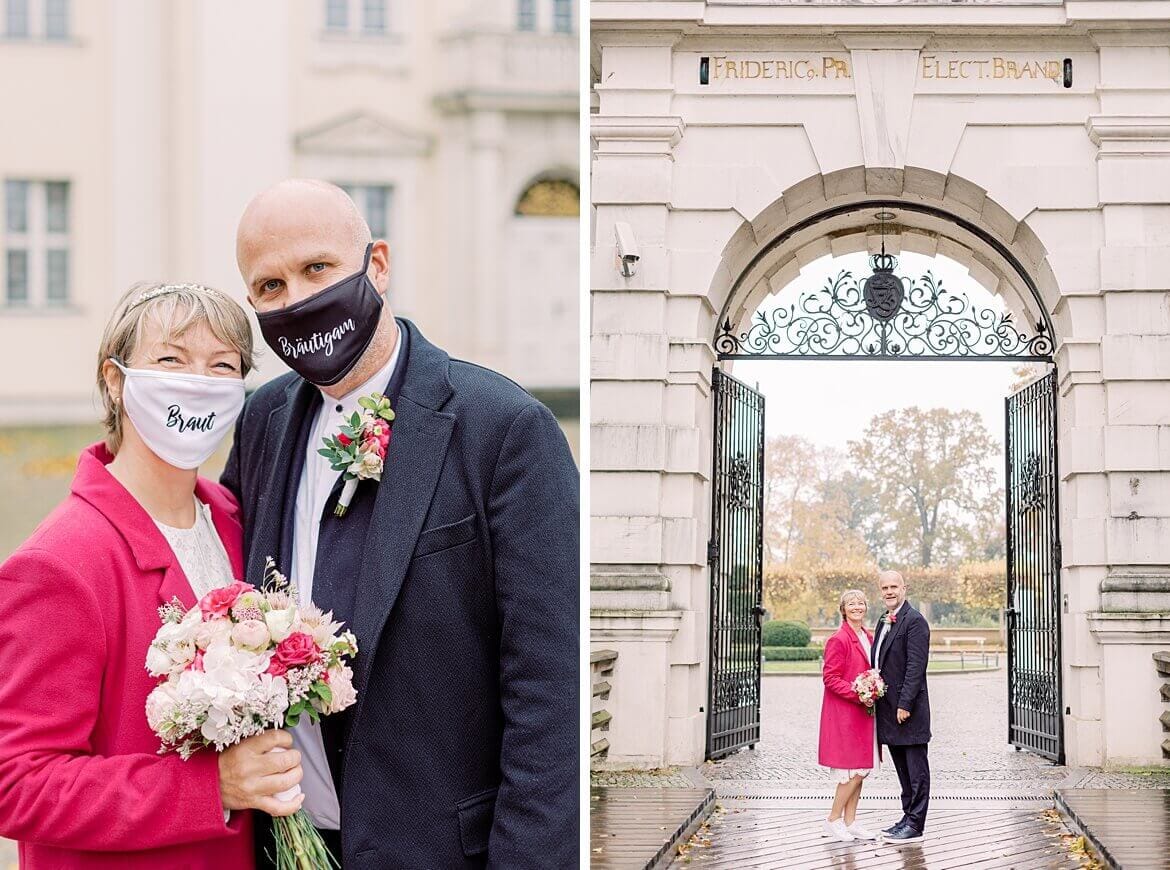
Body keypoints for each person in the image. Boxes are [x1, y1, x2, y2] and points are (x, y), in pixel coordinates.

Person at [222, 179, 579, 868]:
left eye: (317, 269)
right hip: (290, 847)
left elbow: (548, 694)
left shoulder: (504, 432)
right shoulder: (261, 421)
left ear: (376, 265)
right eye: (269, 286)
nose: (296, 299)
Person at [0, 284, 304, 868]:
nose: (199, 380)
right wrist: (209, 787)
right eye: (170, 359)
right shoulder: (58, 564)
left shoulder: (243, 523)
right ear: (114, 380)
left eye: (222, 365)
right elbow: (17, 782)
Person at [871, 569, 932, 844]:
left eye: (894, 586)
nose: (889, 591)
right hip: (889, 711)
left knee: (916, 770)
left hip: (909, 711)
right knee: (903, 770)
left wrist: (905, 704)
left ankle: (916, 825)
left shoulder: (915, 621)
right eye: (885, 587)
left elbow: (915, 667)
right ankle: (907, 817)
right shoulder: (884, 620)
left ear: (904, 589)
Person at [818, 589, 881, 843]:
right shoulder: (838, 639)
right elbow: (830, 678)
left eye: (861, 603)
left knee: (862, 769)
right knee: (854, 770)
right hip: (845, 713)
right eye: (851, 603)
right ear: (843, 609)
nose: (857, 607)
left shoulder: (868, 636)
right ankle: (833, 819)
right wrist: (858, 693)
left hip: (865, 713)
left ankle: (851, 821)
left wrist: (873, 688)